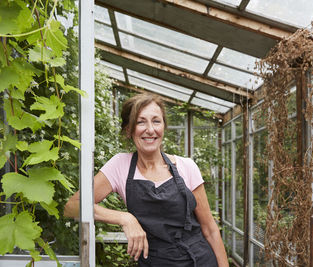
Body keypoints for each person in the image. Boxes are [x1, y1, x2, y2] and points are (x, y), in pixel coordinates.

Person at [64, 93, 229, 267]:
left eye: (156, 121)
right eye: (141, 122)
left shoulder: (186, 166)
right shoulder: (120, 165)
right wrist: (125, 218)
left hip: (199, 260)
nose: (150, 129)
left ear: (163, 126)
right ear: (128, 129)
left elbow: (210, 229)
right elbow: (71, 207)